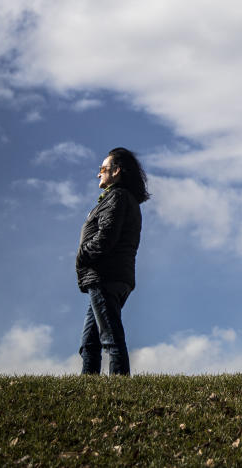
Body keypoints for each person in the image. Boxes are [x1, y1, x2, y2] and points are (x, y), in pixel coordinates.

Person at [76, 146, 149, 375]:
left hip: (106, 276)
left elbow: (106, 237)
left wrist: (82, 255)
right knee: (90, 342)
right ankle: (87, 390)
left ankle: (120, 388)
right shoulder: (122, 199)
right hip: (111, 276)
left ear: (116, 171)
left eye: (103, 168)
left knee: (110, 338)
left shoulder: (116, 197)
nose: (99, 173)